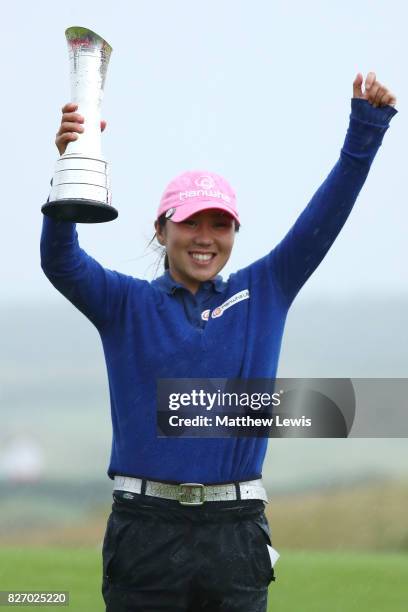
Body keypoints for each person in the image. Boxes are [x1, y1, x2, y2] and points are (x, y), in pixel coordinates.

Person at [41, 71, 397, 611]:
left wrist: (364, 131)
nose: (206, 238)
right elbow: (60, 261)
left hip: (236, 535)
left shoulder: (267, 288)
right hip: (145, 530)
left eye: (221, 224)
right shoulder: (126, 303)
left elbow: (325, 218)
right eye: (190, 223)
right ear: (162, 230)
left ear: (234, 233)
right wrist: (69, 164)